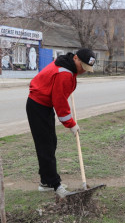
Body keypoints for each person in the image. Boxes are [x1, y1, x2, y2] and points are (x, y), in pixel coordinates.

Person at [26, 48, 96, 198]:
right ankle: (55, 185)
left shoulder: (68, 66)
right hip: (38, 105)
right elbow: (60, 104)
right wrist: (71, 124)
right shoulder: (64, 73)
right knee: (46, 146)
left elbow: (60, 96)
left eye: (86, 69)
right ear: (76, 58)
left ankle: (46, 181)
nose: (83, 71)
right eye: (82, 67)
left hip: (44, 105)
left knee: (51, 143)